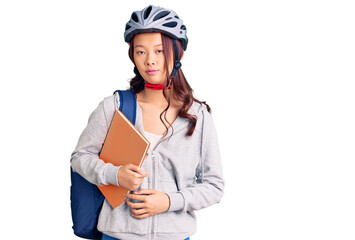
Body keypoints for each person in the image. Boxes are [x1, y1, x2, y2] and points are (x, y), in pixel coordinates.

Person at [70, 5, 224, 240]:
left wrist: (169, 201)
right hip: (116, 235)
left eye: (159, 51)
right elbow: (79, 158)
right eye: (141, 52)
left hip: (174, 235)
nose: (150, 61)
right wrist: (114, 174)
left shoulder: (197, 115)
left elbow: (214, 186)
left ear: (178, 53)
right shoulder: (114, 107)